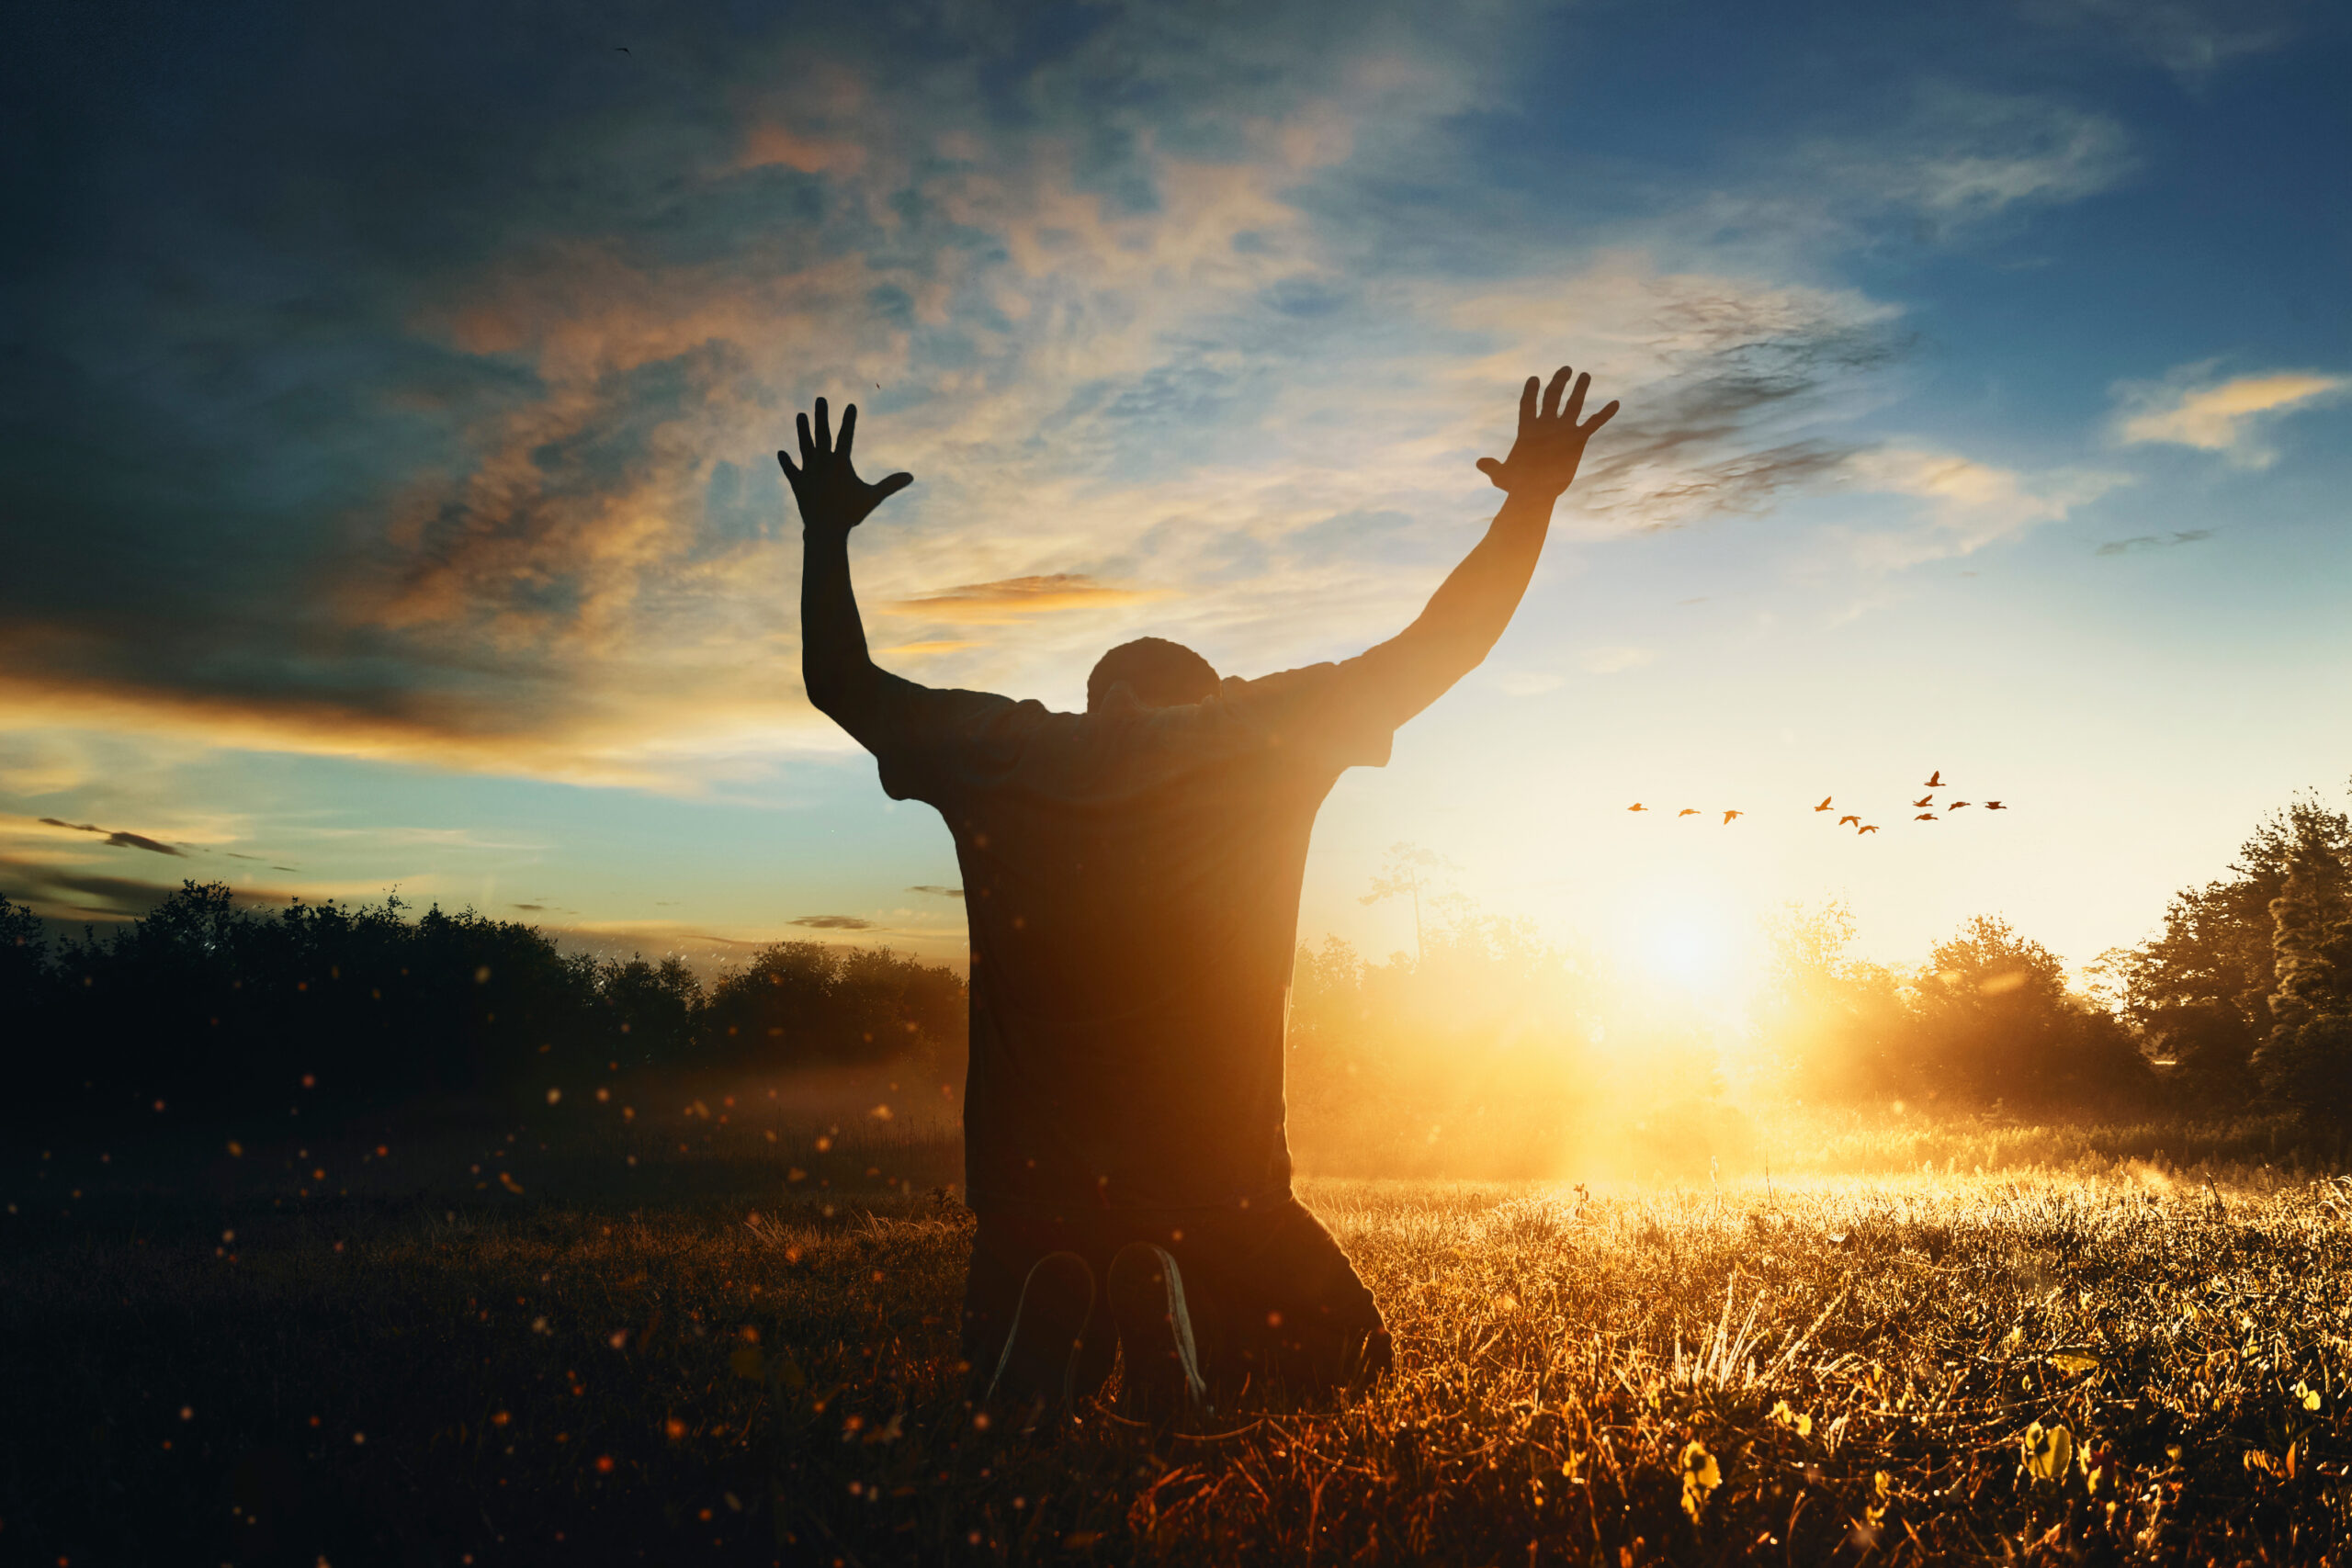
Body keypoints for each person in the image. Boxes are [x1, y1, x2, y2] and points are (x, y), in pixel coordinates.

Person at [783, 366, 1618, 1423]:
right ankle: (1188, 1328)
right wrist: (1530, 501)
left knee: (1041, 1374)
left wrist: (825, 529)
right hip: (1218, 1191)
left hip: (1029, 1197)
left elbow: (839, 681)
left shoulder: (1001, 749)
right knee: (1351, 1367)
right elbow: (1442, 644)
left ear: (1101, 698)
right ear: (1206, 690)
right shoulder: (1255, 736)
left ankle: (1071, 1328)